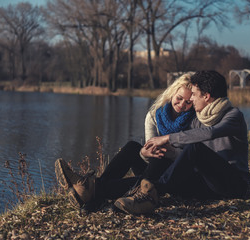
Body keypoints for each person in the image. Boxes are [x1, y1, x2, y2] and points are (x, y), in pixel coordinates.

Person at [114, 70, 250, 214]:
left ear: (206, 96)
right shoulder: (198, 118)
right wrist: (156, 151)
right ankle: (100, 189)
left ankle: (152, 193)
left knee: (196, 148)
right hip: (206, 184)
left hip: (233, 184)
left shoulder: (233, 115)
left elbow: (211, 132)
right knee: (143, 154)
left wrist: (167, 138)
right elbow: (182, 149)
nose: (191, 99)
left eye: (193, 95)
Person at [55, 74, 195, 210]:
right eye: (179, 98)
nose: (182, 104)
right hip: (153, 169)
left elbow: (191, 156)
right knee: (133, 147)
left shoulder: (194, 121)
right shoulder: (154, 115)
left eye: (188, 102)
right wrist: (143, 153)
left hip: (174, 175)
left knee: (161, 157)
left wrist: (172, 153)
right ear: (172, 93)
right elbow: (149, 152)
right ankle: (97, 195)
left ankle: (93, 192)